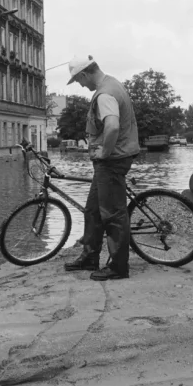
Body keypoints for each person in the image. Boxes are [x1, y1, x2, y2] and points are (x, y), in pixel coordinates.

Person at [62, 55, 140, 281]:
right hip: (111, 161)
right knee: (93, 210)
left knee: (113, 214)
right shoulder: (113, 84)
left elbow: (113, 126)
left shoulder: (105, 93)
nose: (80, 85)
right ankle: (89, 256)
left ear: (85, 74)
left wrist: (105, 152)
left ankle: (118, 267)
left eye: (79, 81)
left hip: (112, 161)